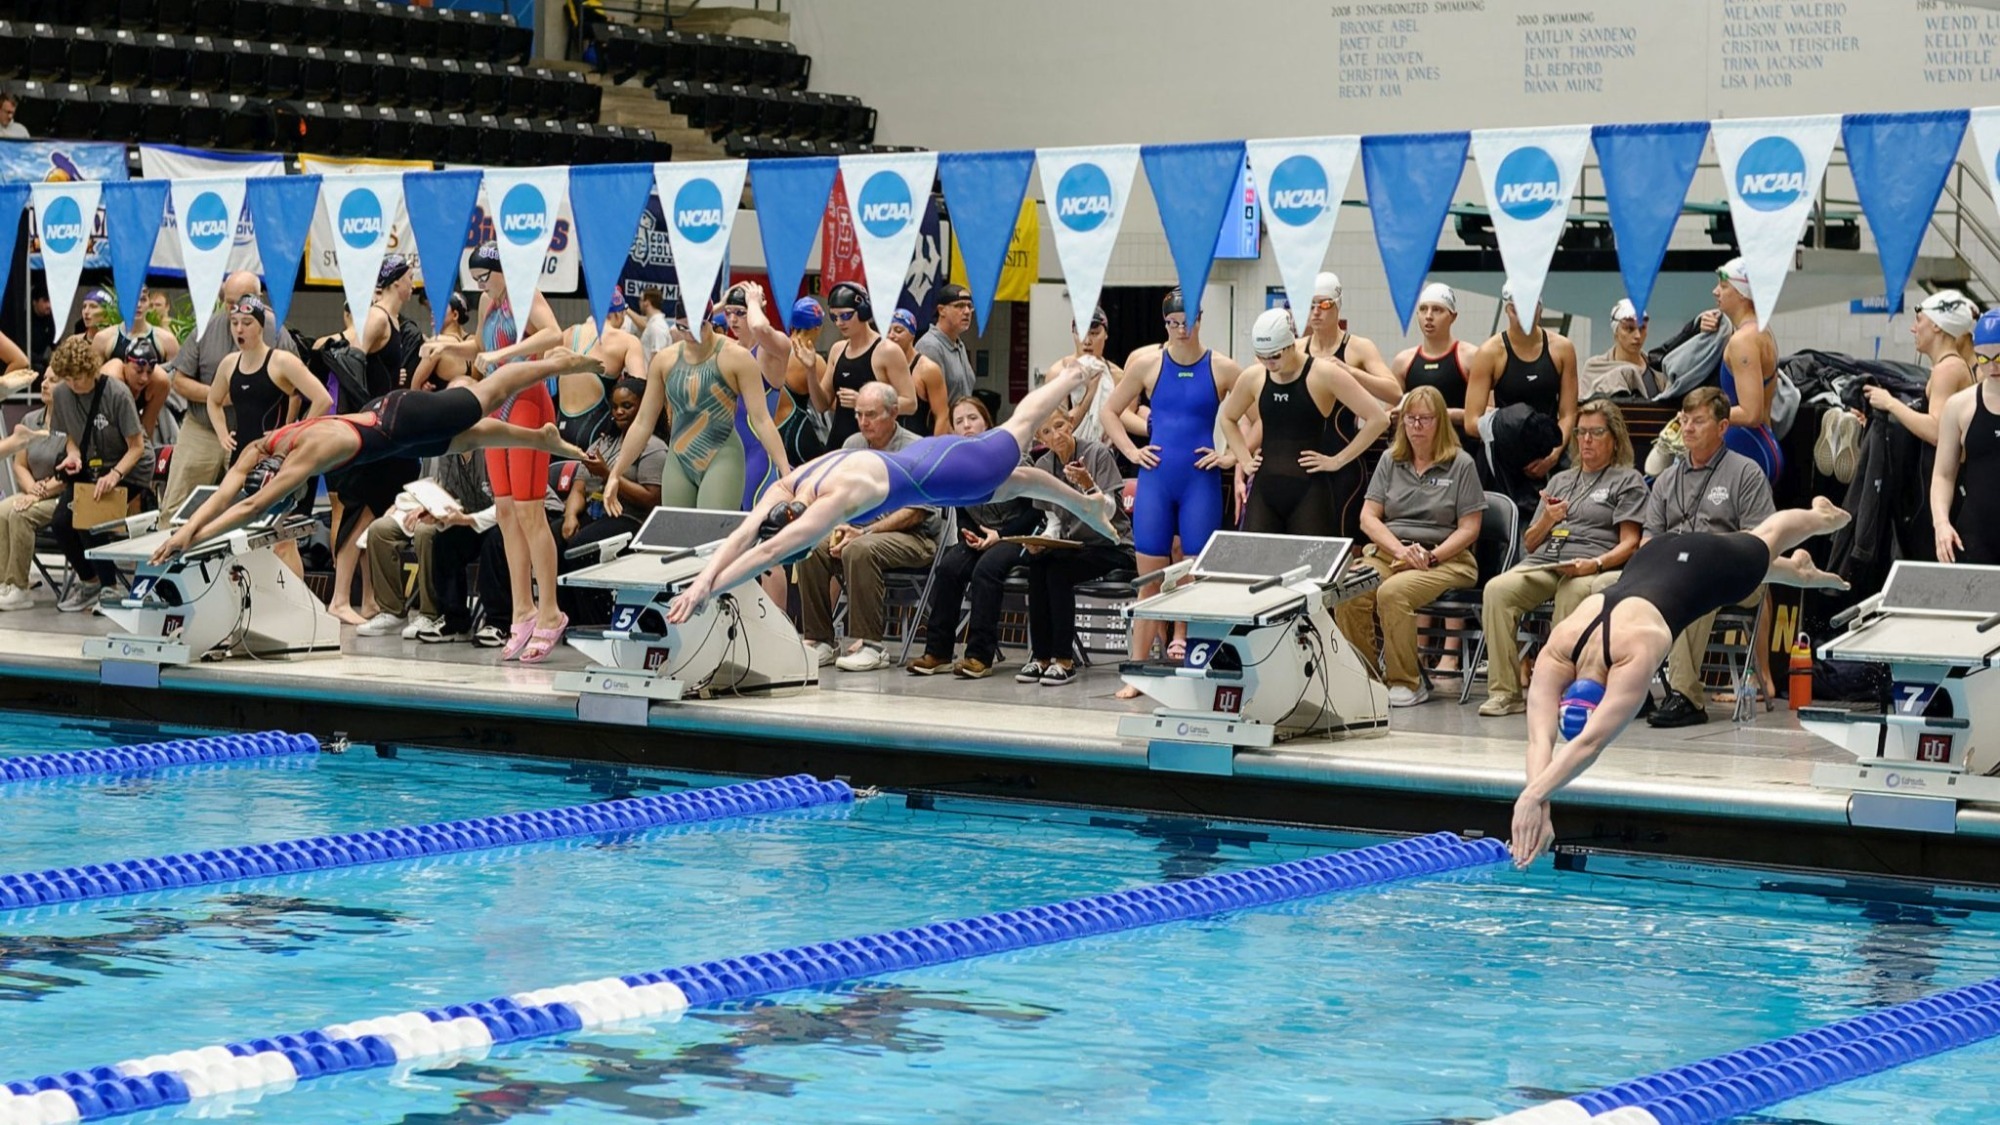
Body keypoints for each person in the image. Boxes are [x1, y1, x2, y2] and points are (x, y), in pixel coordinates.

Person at [1507, 499, 1852, 868]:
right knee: (1754, 564)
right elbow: (1538, 741)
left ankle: (1822, 515)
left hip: (1709, 561)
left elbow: (1589, 745)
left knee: (1770, 534)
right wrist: (1535, 800)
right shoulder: (1561, 646)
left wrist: (1531, 800)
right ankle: (1798, 568)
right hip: (1654, 554)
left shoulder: (1632, 655)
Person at [667, 363, 1119, 632]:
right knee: (1018, 478)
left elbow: (767, 549)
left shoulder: (833, 502)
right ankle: (1084, 502)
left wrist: (709, 588)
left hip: (951, 473)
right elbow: (746, 532)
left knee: (1017, 433)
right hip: (933, 460)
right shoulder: (790, 487)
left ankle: (1073, 376)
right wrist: (704, 580)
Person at [148, 347, 600, 568]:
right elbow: (228, 493)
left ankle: (556, 362)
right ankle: (539, 439)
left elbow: (248, 507)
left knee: (487, 394)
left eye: (278, 491)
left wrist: (190, 541)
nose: (282, 492)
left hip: (399, 419)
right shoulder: (261, 446)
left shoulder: (304, 456)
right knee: (471, 439)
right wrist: (187, 530)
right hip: (390, 437)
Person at [1096, 290, 1243, 664]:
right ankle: (1138, 667)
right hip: (1156, 484)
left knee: (1196, 582)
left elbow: (1257, 420)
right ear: (1165, 324)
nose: (1181, 329)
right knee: (1149, 584)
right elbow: (1110, 412)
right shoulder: (1148, 365)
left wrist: (1230, 457)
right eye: (1173, 323)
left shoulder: (1223, 368)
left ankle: (1197, 661)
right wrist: (1132, 452)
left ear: (1200, 318)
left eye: (1187, 321)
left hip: (1200, 484)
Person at [1477, 398, 1648, 716]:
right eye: (1581, 432)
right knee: (1497, 590)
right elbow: (1529, 543)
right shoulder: (1560, 480)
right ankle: (1505, 693)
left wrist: (1595, 564)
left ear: (1614, 439)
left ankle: (1558, 690)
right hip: (1547, 561)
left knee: (1574, 592)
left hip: (1590, 564)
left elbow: (1630, 543)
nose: (1586, 440)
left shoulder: (1627, 480)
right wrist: (1548, 519)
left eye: (1596, 433)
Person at [1333, 385, 1485, 707]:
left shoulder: (1461, 464)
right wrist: (1401, 552)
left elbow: (1470, 528)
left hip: (1447, 558)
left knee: (1393, 592)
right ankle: (1366, 681)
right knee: (1348, 588)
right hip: (1393, 553)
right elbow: (1368, 518)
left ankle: (1406, 682)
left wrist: (1430, 556)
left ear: (1440, 422)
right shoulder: (1391, 460)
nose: (1416, 426)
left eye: (1424, 419)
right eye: (1409, 419)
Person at [1641, 386, 1777, 728]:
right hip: (1672, 571)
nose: (1687, 428)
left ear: (1722, 427)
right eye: (1683, 420)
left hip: (1736, 576)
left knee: (1693, 591)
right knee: (1612, 589)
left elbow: (1761, 543)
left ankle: (1687, 697)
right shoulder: (1667, 479)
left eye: (1698, 421)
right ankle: (1631, 687)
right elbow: (1648, 541)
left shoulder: (1746, 473)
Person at [609, 284, 788, 514]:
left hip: (722, 455)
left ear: (709, 322)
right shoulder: (665, 360)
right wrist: (615, 473)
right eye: (683, 328)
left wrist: (785, 471)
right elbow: (643, 422)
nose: (690, 335)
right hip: (679, 458)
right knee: (677, 539)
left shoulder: (736, 358)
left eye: (697, 328)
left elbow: (762, 419)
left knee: (712, 536)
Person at [1219, 307, 1388, 536]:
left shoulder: (1324, 374)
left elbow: (1378, 419)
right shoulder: (1254, 376)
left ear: (1291, 343)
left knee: (1309, 569)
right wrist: (1244, 459)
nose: (1269, 363)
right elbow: (1228, 417)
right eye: (1262, 356)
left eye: (1275, 356)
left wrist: (1339, 460)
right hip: (1265, 490)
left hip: (1311, 491)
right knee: (1258, 567)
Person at [904, 397, 1039, 678]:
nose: (967, 425)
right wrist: (971, 535)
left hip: (1016, 536)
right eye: (960, 421)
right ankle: (938, 652)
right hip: (980, 536)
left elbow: (1035, 513)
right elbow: (963, 510)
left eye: (973, 418)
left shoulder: (1014, 456)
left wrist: (1000, 535)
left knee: (985, 571)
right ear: (952, 430)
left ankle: (979, 656)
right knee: (948, 568)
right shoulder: (956, 464)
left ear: (987, 422)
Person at [1015, 408, 1135, 687]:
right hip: (1075, 544)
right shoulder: (1043, 466)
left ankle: (1064, 660)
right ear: (1039, 437)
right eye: (1047, 431)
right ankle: (1041, 657)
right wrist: (1041, 542)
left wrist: (1088, 484)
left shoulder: (1097, 454)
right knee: (1039, 563)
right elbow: (1054, 521)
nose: (1056, 435)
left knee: (1058, 571)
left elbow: (1109, 509)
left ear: (1071, 423)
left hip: (1112, 544)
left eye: (1060, 425)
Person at [162, 272, 297, 516]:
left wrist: (284, 432)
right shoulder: (206, 329)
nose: (234, 309)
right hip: (202, 429)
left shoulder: (277, 334)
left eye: (241, 301)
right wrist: (220, 396)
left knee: (249, 510)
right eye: (229, 302)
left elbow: (297, 392)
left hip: (254, 436)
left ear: (259, 298)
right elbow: (179, 381)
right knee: (175, 508)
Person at [47, 335, 149, 612]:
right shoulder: (61, 394)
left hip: (129, 466)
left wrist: (115, 475)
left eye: (78, 378)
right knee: (60, 522)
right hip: (91, 464)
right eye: (67, 379)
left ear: (91, 370)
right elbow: (70, 436)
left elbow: (137, 447)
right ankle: (89, 582)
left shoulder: (116, 393)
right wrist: (73, 455)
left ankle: (110, 587)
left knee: (88, 517)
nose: (73, 385)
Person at [1465, 284, 1579, 497]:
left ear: (1541, 309)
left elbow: (1568, 414)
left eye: (1530, 307)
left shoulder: (1562, 349)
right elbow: (1471, 422)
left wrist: (1553, 455)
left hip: (1550, 447)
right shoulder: (1489, 353)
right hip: (1506, 453)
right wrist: (1511, 440)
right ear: (1507, 310)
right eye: (1517, 309)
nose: (1524, 315)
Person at [716, 282, 809, 510]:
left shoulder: (772, 352)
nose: (733, 320)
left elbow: (759, 328)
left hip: (758, 458)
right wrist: (722, 302)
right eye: (728, 314)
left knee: (753, 531)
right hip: (725, 457)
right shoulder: (727, 348)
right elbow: (682, 330)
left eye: (740, 313)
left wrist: (755, 303)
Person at [1932, 309, 2000, 565]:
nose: (1992, 367)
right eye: (1984, 359)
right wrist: (1941, 524)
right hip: (1975, 538)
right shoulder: (1960, 407)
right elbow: (1943, 475)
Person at [1868, 290, 1977, 450]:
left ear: (1936, 325)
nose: (1913, 328)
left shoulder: (1947, 369)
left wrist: (1890, 403)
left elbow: (1937, 432)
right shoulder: (1950, 365)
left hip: (1947, 474)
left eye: (1918, 320)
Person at [0, 370, 72, 610]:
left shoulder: (73, 423)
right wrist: (31, 490)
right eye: (44, 379)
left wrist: (39, 494)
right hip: (34, 490)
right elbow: (19, 465)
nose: (44, 384)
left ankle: (19, 587)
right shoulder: (30, 420)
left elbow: (69, 474)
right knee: (2, 510)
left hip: (62, 495)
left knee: (20, 514)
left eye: (53, 380)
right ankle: (3, 583)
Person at [1709, 258, 1784, 482]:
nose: (1715, 291)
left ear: (1742, 293)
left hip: (1749, 449)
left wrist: (1705, 415)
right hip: (1759, 446)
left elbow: (1751, 413)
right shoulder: (1761, 331)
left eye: (1723, 286)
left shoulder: (1743, 341)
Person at [816, 282, 916, 449]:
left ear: (863, 312)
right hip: (839, 443)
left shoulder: (887, 351)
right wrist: (810, 370)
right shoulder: (837, 349)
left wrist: (862, 403)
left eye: (846, 316)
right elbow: (821, 405)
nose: (839, 322)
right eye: (834, 317)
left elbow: (911, 404)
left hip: (875, 445)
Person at [1393, 283, 1475, 431]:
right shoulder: (1403, 362)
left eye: (1437, 310)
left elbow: (1488, 412)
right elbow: (1392, 414)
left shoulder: (1470, 357)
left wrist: (1439, 414)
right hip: (1416, 450)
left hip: (1460, 449)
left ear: (1453, 317)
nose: (1429, 316)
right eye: (1423, 309)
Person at [1040, 307, 1117, 448]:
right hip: (1068, 452)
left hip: (1106, 455)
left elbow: (1122, 424)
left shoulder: (1116, 375)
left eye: (1094, 334)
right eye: (1081, 334)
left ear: (1106, 334)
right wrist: (1089, 396)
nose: (1087, 341)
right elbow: (1057, 428)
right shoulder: (1058, 373)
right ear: (1073, 334)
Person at [1580, 299, 1662, 400]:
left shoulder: (1657, 371)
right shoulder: (1595, 367)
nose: (1637, 335)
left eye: (1642, 328)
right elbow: (1582, 408)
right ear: (1616, 331)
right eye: (1629, 329)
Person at [889, 308, 951, 438]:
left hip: (919, 445)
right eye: (887, 331)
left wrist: (933, 451)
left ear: (912, 334)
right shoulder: (881, 365)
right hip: (889, 448)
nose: (891, 336)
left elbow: (942, 416)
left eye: (898, 331)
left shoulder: (928, 369)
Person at [914, 282, 978, 402]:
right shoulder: (930, 346)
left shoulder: (959, 345)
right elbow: (936, 403)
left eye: (970, 306)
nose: (967, 311)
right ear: (941, 310)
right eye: (959, 306)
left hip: (961, 418)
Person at [408, 292, 475, 392]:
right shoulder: (468, 347)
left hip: (437, 406)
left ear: (455, 315)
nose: (433, 312)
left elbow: (414, 388)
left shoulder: (437, 343)